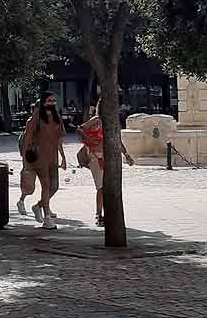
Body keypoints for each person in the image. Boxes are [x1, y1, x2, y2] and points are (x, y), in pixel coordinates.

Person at [77, 106, 134, 228]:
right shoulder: (96, 120)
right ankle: (98, 214)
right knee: (101, 187)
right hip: (95, 157)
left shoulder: (113, 122)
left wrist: (126, 154)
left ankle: (107, 214)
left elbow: (117, 140)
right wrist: (88, 139)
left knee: (107, 187)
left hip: (109, 158)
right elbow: (80, 129)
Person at [19, 94, 68, 229]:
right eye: (49, 101)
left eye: (53, 101)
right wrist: (25, 162)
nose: (51, 103)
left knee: (54, 186)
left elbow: (59, 140)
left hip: (53, 157)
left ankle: (38, 206)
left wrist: (63, 157)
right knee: (46, 185)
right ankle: (47, 217)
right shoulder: (34, 119)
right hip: (39, 157)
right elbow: (26, 140)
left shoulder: (57, 119)